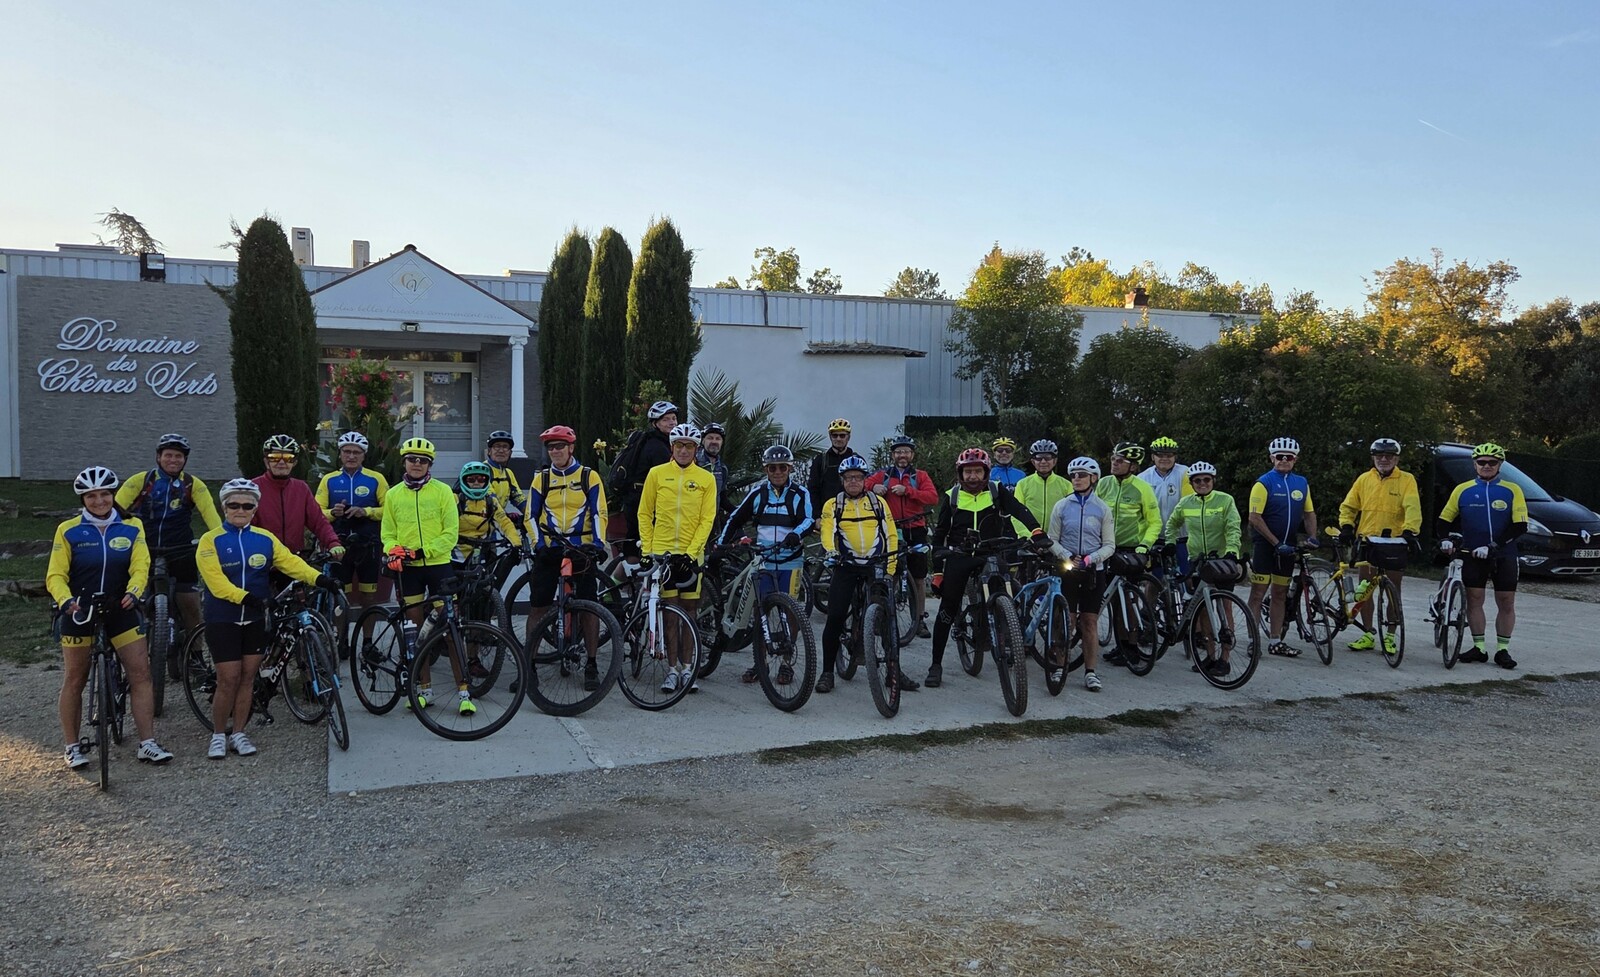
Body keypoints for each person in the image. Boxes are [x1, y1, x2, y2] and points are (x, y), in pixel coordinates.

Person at [196, 478, 340, 758]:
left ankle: (239, 733)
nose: (240, 510)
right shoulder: (210, 540)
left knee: (248, 678)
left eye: (247, 505)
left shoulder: (264, 538)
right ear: (224, 507)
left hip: (255, 618)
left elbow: (291, 563)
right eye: (234, 505)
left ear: (254, 509)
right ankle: (218, 735)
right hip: (223, 617)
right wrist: (250, 598)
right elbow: (216, 583)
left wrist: (320, 579)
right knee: (229, 678)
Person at [48, 467, 174, 769]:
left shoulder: (132, 526)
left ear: (113, 495)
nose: (99, 501)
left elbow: (140, 565)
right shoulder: (68, 530)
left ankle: (147, 743)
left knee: (140, 675)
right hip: (79, 609)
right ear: (83, 499)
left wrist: (135, 591)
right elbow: (55, 574)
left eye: (104, 494)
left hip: (122, 606)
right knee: (74, 678)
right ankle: (72, 747)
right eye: (91, 496)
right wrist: (65, 600)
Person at [926, 447, 1050, 688]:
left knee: (1009, 593)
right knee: (948, 608)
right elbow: (940, 535)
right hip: (960, 555)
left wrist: (1036, 531)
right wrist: (939, 572)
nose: (973, 476)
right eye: (968, 472)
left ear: (986, 472)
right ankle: (935, 664)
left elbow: (1019, 510)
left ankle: (1008, 637)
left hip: (991, 552)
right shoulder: (952, 496)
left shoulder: (996, 490)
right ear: (960, 474)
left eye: (977, 471)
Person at [380, 437, 472, 713]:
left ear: (430, 464)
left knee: (451, 629)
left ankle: (464, 693)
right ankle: (424, 690)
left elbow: (450, 534)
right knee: (415, 632)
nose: (417, 464)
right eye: (412, 459)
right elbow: (387, 533)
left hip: (438, 566)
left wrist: (422, 552)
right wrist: (393, 550)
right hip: (409, 571)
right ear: (404, 462)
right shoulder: (393, 494)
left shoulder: (443, 492)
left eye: (423, 460)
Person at [115, 433, 223, 663]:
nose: (173, 460)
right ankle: (132, 657)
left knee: (191, 605)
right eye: (168, 455)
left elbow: (212, 519)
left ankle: (195, 658)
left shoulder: (193, 484)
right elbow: (114, 513)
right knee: (132, 603)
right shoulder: (140, 481)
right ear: (158, 457)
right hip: (143, 550)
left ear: (185, 460)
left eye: (178, 456)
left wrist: (221, 542)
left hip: (181, 550)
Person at [522, 425, 611, 692]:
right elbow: (530, 515)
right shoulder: (542, 478)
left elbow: (599, 512)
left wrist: (598, 544)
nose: (555, 451)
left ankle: (591, 664)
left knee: (588, 606)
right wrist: (538, 545)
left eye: (560, 446)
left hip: (581, 549)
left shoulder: (588, 476)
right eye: (551, 447)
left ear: (571, 448)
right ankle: (529, 666)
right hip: (550, 549)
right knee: (538, 608)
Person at [818, 456, 914, 693]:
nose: (853, 481)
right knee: (835, 617)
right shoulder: (833, 504)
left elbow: (891, 534)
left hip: (875, 565)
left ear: (864, 480)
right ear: (842, 480)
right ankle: (827, 672)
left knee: (887, 617)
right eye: (848, 477)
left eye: (858, 477)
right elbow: (827, 531)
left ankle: (894, 671)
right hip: (846, 565)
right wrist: (831, 551)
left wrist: (890, 568)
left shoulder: (878, 502)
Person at [719, 444, 813, 682]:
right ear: (766, 470)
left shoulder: (800, 493)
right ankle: (760, 664)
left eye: (782, 467)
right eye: (772, 468)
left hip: (790, 562)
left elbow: (808, 520)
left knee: (790, 612)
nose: (778, 472)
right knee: (760, 610)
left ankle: (786, 664)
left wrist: (796, 534)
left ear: (790, 468)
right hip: (764, 562)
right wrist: (721, 544)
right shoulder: (758, 493)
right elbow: (735, 518)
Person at [638, 424, 718, 693]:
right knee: (670, 615)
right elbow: (644, 514)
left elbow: (707, 519)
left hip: (690, 556)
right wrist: (647, 552)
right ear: (672, 448)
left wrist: (692, 553)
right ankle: (672, 670)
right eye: (679, 446)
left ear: (696, 449)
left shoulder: (706, 479)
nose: (684, 450)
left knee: (689, 614)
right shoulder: (657, 474)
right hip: (663, 555)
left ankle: (688, 668)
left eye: (690, 446)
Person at [1437, 442, 1526, 669]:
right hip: (1473, 554)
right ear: (1475, 464)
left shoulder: (1512, 489)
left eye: (1492, 462)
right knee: (1475, 600)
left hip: (1504, 554)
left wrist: (1494, 545)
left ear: (1499, 465)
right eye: (1482, 462)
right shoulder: (1462, 489)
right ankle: (1479, 648)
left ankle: (1502, 650)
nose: (1487, 466)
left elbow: (1520, 525)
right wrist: (1444, 538)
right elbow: (1444, 519)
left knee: (1506, 602)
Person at [1337, 438, 1422, 655]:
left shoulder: (1406, 480)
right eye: (1379, 456)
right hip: (1368, 541)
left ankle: (1391, 636)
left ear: (1396, 458)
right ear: (1373, 457)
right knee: (1365, 588)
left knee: (1393, 590)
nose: (1384, 459)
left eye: (1389, 456)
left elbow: (1412, 506)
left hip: (1394, 543)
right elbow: (1349, 505)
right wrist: (1347, 526)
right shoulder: (1364, 479)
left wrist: (1410, 531)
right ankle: (1368, 633)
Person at [1161, 461, 1243, 675]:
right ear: (1192, 483)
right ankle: (1210, 656)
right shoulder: (1186, 502)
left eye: (1206, 480)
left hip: (1222, 560)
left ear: (1213, 481)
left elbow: (1233, 527)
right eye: (1197, 481)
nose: (1202, 483)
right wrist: (1170, 542)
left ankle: (1225, 659)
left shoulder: (1225, 500)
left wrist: (1232, 550)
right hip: (1197, 561)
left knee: (1225, 607)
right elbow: (1172, 524)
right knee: (1204, 609)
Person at [1045, 457, 1117, 693]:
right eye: (1073, 475)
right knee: (1066, 620)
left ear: (1093, 478)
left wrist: (1090, 558)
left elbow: (1109, 545)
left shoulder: (1102, 508)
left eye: (1082, 475)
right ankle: (1059, 665)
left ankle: (1090, 671)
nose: (1076, 479)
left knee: (1089, 621)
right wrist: (1067, 555)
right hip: (1067, 569)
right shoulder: (1062, 506)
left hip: (1093, 572)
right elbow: (1052, 539)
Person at [1247, 437, 1318, 659]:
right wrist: (1276, 543)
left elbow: (1309, 513)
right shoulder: (1263, 483)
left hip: (1289, 545)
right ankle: (1253, 641)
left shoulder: (1301, 483)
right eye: (1280, 456)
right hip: (1265, 546)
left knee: (1279, 593)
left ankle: (1276, 641)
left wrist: (1313, 536)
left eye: (1289, 457)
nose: (1284, 460)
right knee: (1258, 593)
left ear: (1295, 459)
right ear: (1272, 458)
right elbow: (1254, 517)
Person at [864, 435, 938, 638]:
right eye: (898, 452)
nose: (902, 455)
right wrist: (873, 487)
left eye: (906, 451)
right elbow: (861, 485)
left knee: (919, 578)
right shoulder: (883, 475)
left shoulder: (920, 476)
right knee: (890, 574)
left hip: (916, 530)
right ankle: (883, 618)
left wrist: (908, 491)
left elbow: (932, 497)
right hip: (891, 530)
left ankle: (919, 620)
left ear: (912, 454)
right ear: (892, 455)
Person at [1095, 442, 1161, 662]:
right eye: (1113, 459)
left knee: (1129, 598)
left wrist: (1144, 546)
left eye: (1120, 461)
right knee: (1114, 599)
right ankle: (1121, 644)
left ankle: (1132, 645)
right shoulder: (1104, 483)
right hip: (1106, 548)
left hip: (1131, 549)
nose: (1114, 463)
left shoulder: (1143, 488)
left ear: (1133, 466)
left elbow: (1154, 522)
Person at [315, 431, 389, 618]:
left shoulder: (376, 478)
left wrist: (366, 511)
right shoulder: (329, 479)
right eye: (347, 451)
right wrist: (333, 513)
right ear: (340, 454)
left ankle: (366, 636)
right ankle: (341, 636)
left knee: (369, 597)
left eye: (356, 452)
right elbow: (316, 512)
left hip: (368, 543)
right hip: (339, 543)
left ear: (364, 455)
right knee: (340, 596)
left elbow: (389, 510)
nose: (351, 456)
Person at [253, 435, 343, 563]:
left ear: (294, 462)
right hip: (260, 560)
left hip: (294, 560)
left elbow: (318, 521)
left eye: (288, 458)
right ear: (266, 462)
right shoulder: (253, 489)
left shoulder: (301, 488)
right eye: (275, 457)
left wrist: (333, 543)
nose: (281, 462)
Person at [610, 401, 678, 553]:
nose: (672, 422)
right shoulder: (658, 447)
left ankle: (626, 567)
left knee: (635, 541)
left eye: (674, 418)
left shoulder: (653, 441)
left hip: (634, 499)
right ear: (655, 424)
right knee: (642, 543)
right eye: (666, 419)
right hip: (642, 501)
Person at [1137, 436, 1193, 576]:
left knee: (1186, 577)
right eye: (1160, 455)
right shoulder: (1143, 478)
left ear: (1175, 457)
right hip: (1155, 537)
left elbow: (1189, 502)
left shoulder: (1185, 473)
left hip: (1181, 536)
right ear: (1153, 457)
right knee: (1155, 580)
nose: (1164, 459)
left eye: (1169, 455)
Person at [455, 461, 523, 558]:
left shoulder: (491, 502)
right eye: (471, 479)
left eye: (481, 479)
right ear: (464, 480)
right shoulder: (454, 499)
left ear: (487, 481)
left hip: (483, 549)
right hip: (455, 551)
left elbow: (504, 523)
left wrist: (516, 543)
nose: (476, 483)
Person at [807, 418, 864, 519]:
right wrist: (817, 516)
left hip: (853, 513)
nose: (838, 439)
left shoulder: (857, 460)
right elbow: (813, 490)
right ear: (830, 436)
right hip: (827, 514)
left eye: (842, 435)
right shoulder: (821, 460)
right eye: (835, 435)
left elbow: (864, 487)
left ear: (848, 437)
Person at [1015, 439, 1072, 535]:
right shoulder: (1022, 484)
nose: (1043, 461)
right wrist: (1029, 535)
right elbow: (1017, 513)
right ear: (1033, 461)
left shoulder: (1066, 485)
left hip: (1058, 538)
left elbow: (1071, 514)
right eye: (1039, 458)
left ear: (1054, 461)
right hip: (1030, 538)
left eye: (1047, 458)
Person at [696, 421, 733, 529]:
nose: (714, 441)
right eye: (710, 438)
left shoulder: (722, 468)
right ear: (703, 440)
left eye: (718, 439)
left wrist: (740, 511)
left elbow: (722, 498)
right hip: (691, 521)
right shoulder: (694, 463)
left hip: (712, 522)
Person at [484, 430, 526, 522]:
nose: (501, 450)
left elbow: (518, 497)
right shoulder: (482, 470)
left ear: (510, 452)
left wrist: (532, 515)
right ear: (489, 451)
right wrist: (505, 515)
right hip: (480, 521)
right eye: (497, 446)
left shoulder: (508, 473)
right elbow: (491, 500)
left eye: (505, 447)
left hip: (498, 520)